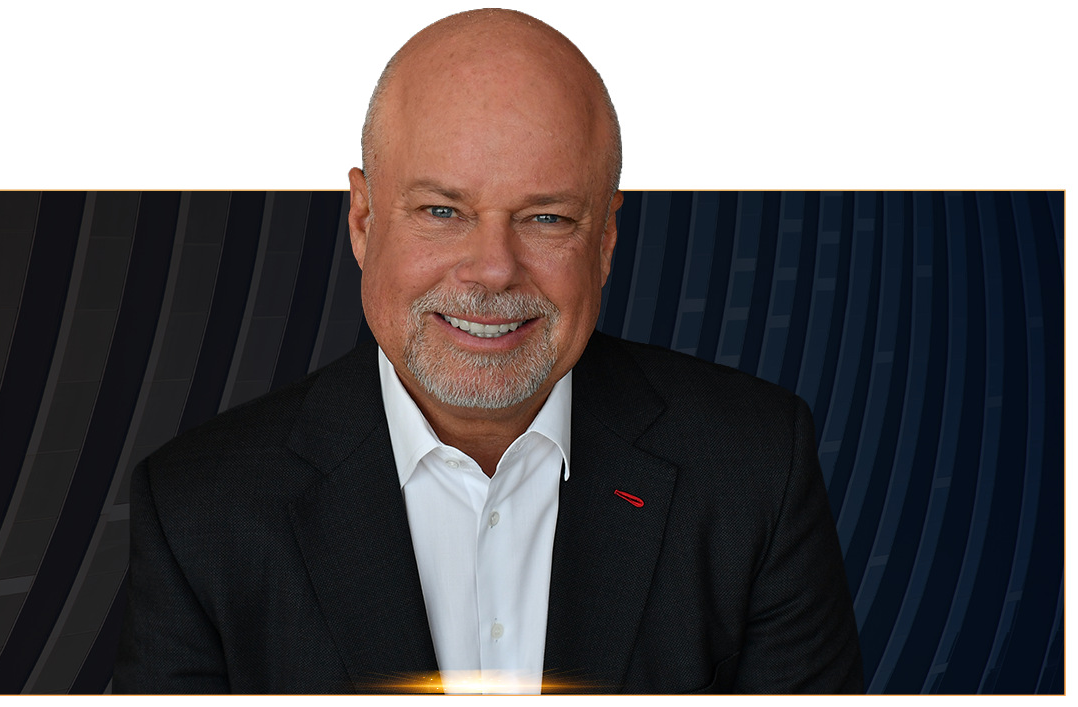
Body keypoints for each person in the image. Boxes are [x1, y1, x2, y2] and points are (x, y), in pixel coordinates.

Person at [115, 9, 862, 694]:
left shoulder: (756, 466)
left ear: (604, 239)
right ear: (363, 221)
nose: (493, 268)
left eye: (545, 217)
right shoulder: (197, 509)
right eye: (442, 211)